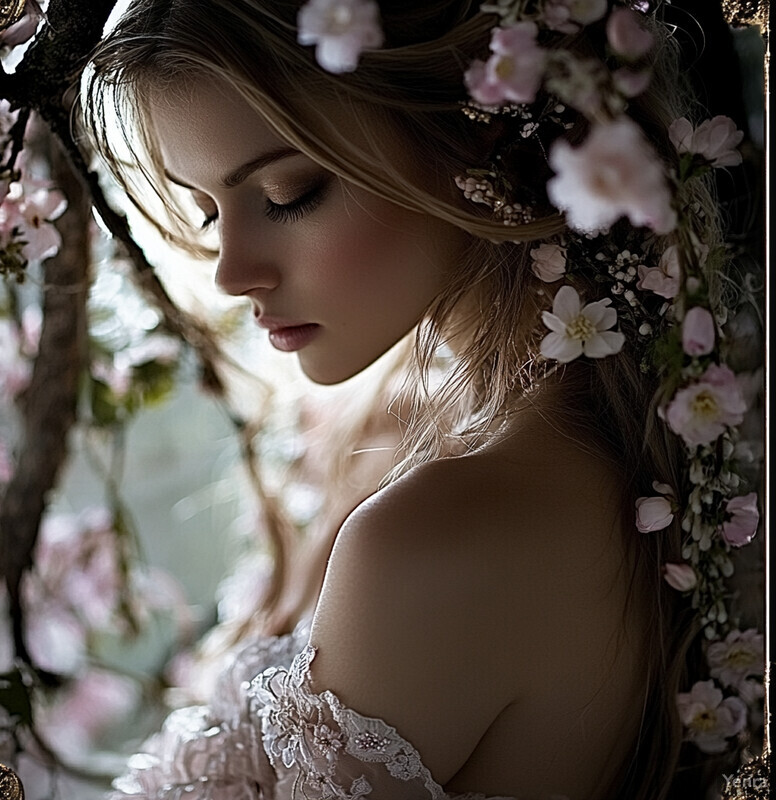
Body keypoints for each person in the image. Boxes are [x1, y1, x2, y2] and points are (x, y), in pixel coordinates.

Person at [82, 1, 764, 799]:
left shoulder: (434, 539)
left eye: (287, 193)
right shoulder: (628, 429)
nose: (229, 272)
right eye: (205, 210)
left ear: (474, 125)